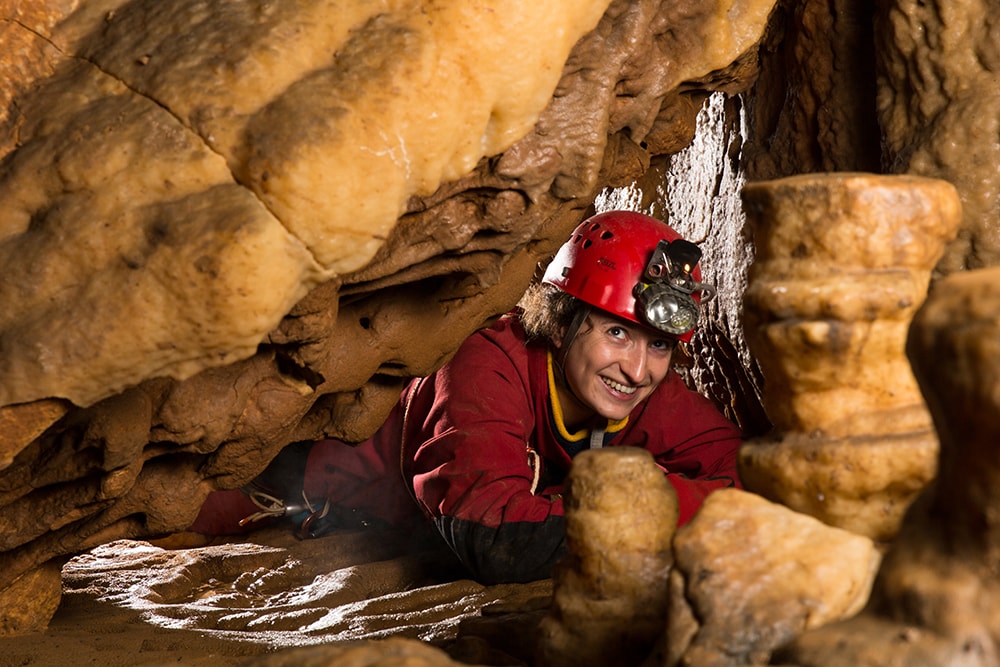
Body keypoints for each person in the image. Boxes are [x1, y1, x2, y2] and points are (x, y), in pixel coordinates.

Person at [190, 210, 743, 584]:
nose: (637, 369)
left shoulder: (639, 386)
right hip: (269, 487)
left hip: (386, 524)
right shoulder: (486, 362)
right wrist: (667, 505)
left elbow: (748, 473)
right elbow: (494, 535)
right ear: (562, 320)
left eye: (660, 345)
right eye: (616, 333)